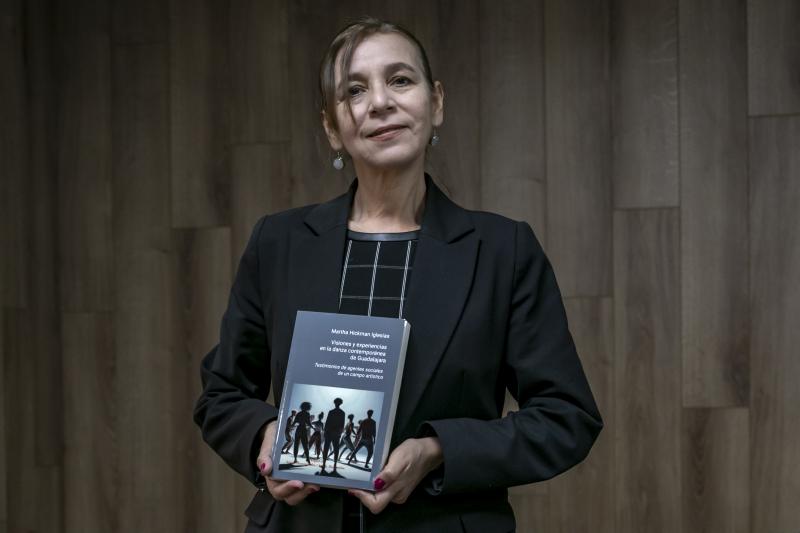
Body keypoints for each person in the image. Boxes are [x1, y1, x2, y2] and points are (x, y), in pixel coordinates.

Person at [193, 16, 602, 533]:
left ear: (436, 102)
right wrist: (265, 436)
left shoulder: (504, 250)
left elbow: (566, 417)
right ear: (332, 128)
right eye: (354, 91)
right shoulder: (278, 243)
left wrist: (437, 450)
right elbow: (222, 395)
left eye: (400, 80)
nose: (380, 102)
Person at [321, 398, 346, 472]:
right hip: (336, 433)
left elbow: (327, 422)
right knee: (336, 449)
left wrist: (325, 432)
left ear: (335, 403)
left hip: (329, 432)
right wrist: (340, 433)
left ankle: (324, 463)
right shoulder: (342, 413)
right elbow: (342, 425)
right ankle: (335, 464)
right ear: (340, 403)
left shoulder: (331, 412)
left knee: (326, 447)